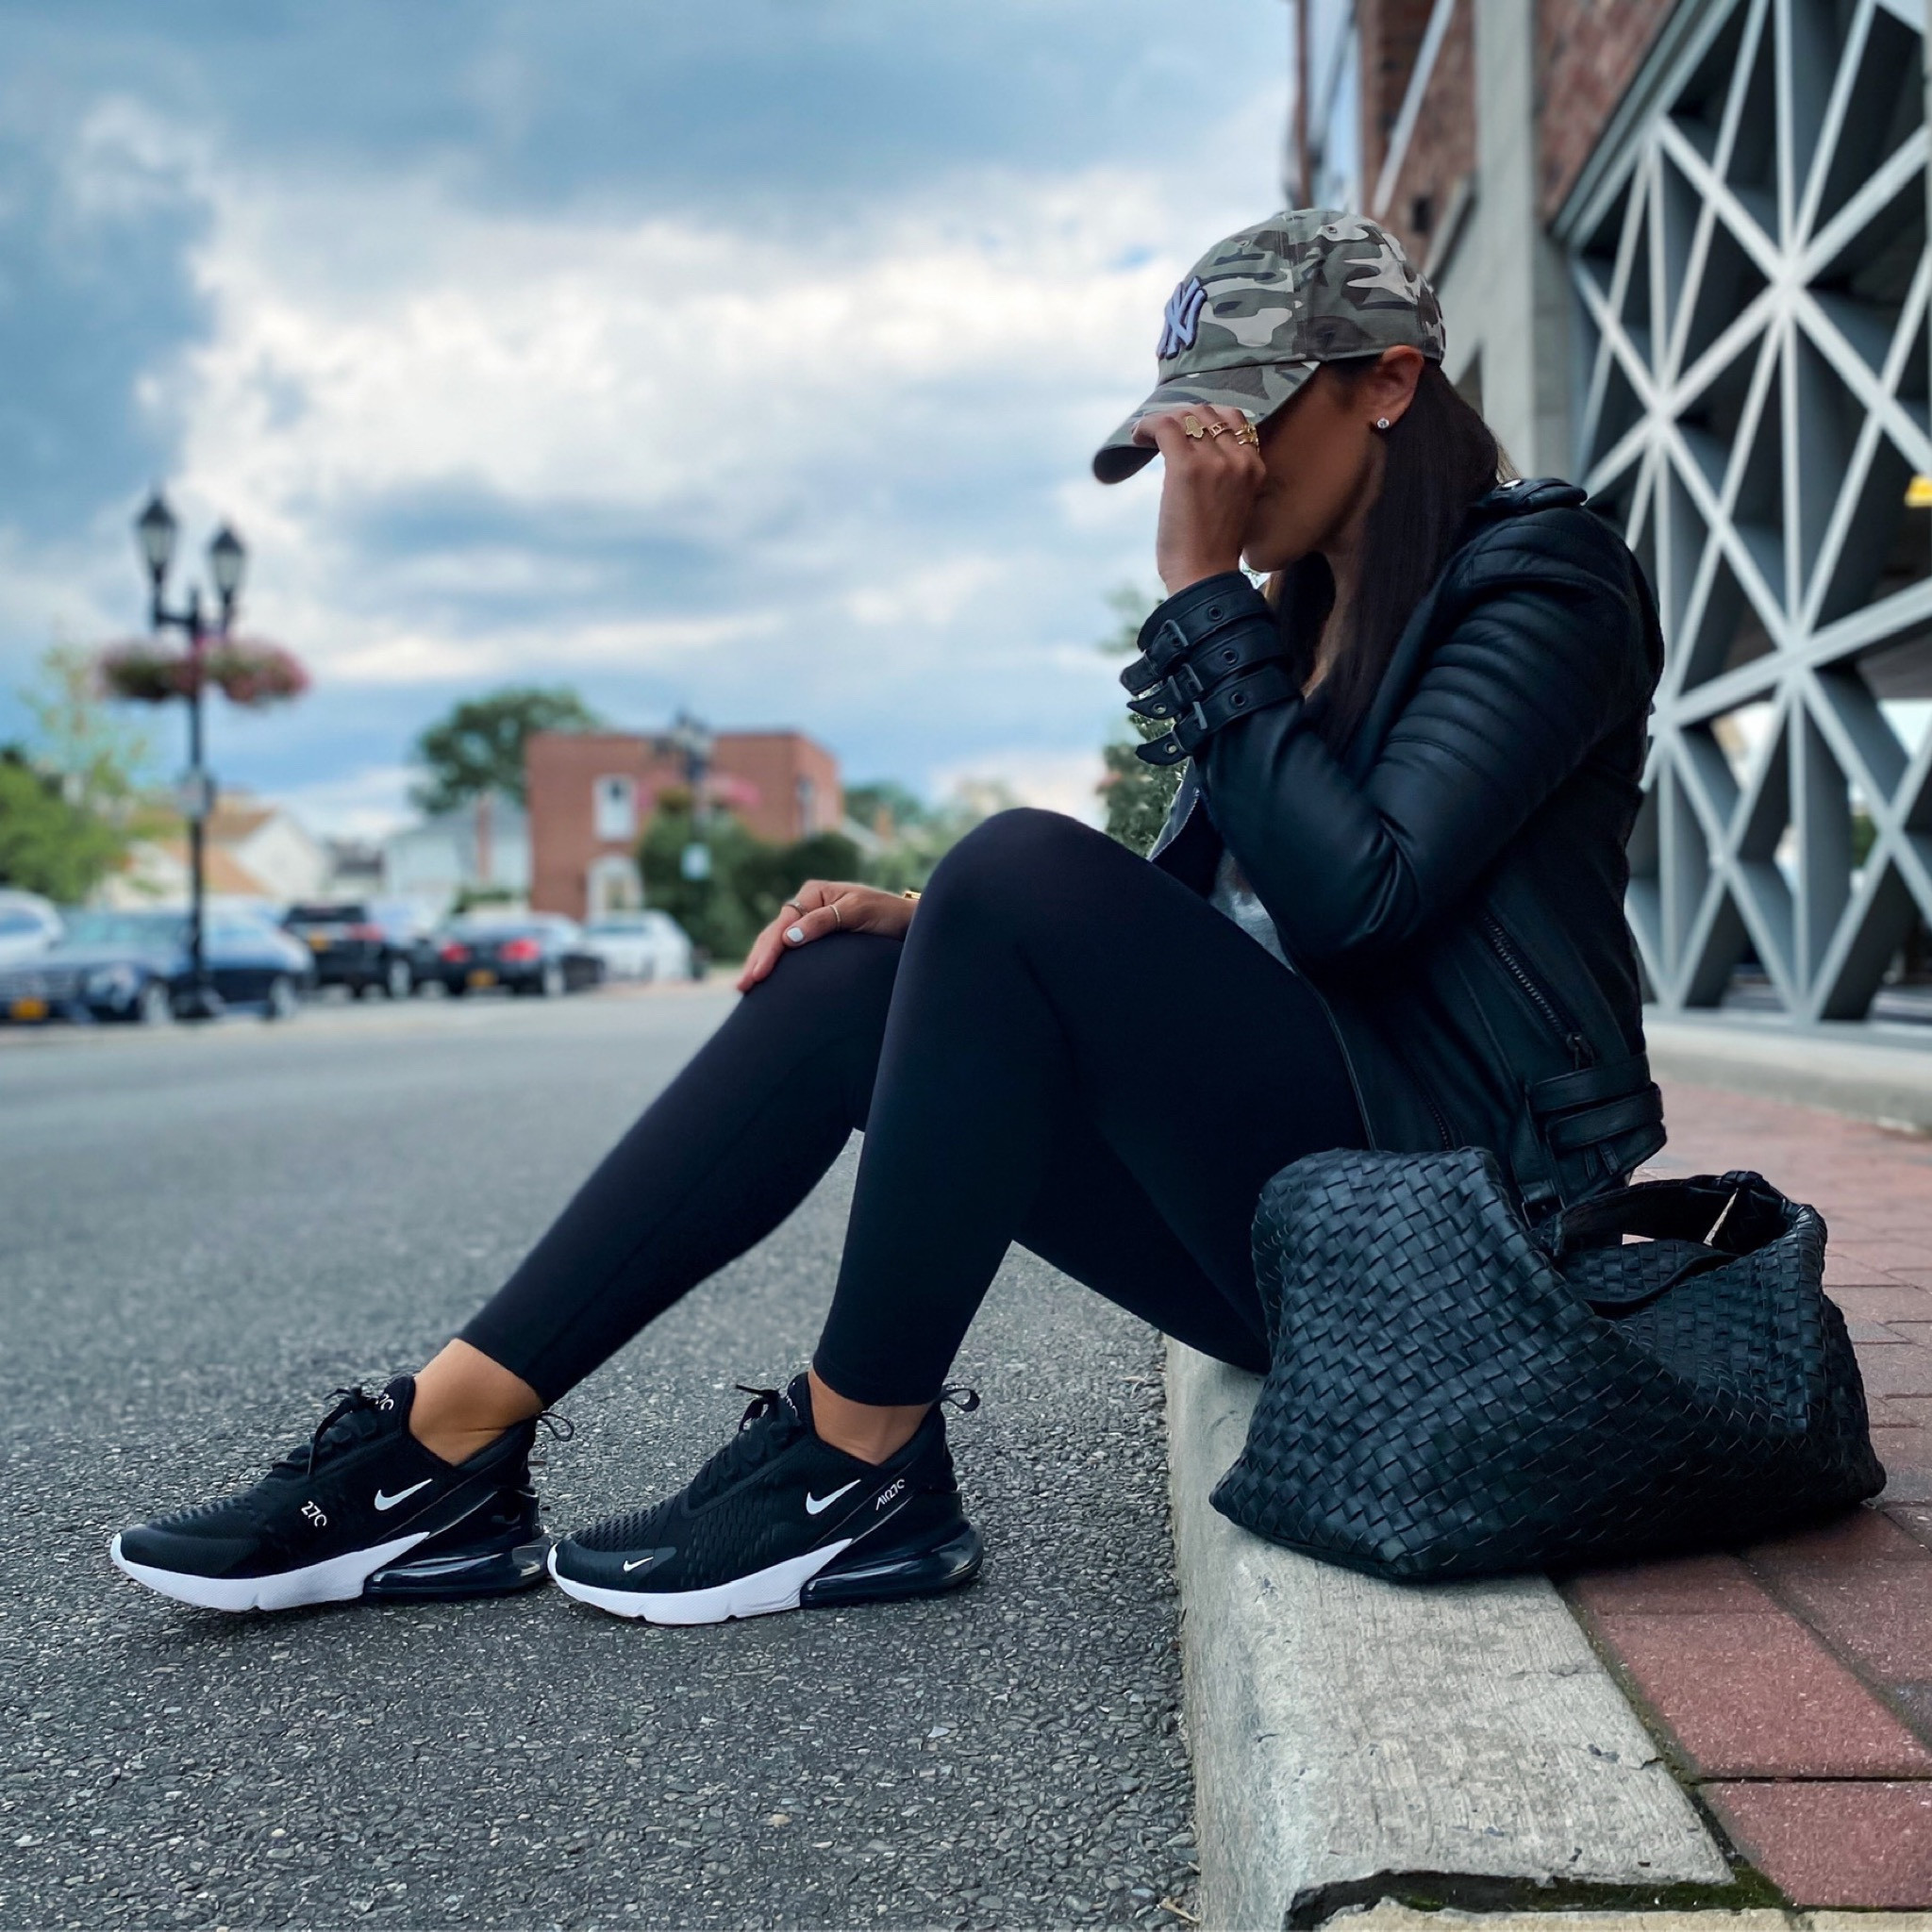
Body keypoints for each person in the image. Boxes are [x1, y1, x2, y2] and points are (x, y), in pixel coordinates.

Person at [110, 209, 1665, 1626]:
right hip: (1316, 1220)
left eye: (1245, 422)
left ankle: (853, 1461)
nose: (1217, 472)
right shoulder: (1307, 621)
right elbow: (1192, 919)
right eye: (1189, 441)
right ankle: (443, 1452)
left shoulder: (1544, 581)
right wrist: (947, 933)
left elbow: (1361, 910)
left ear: (1387, 383)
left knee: (1008, 864)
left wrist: (1194, 610)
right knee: (869, 968)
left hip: (1468, 1241)